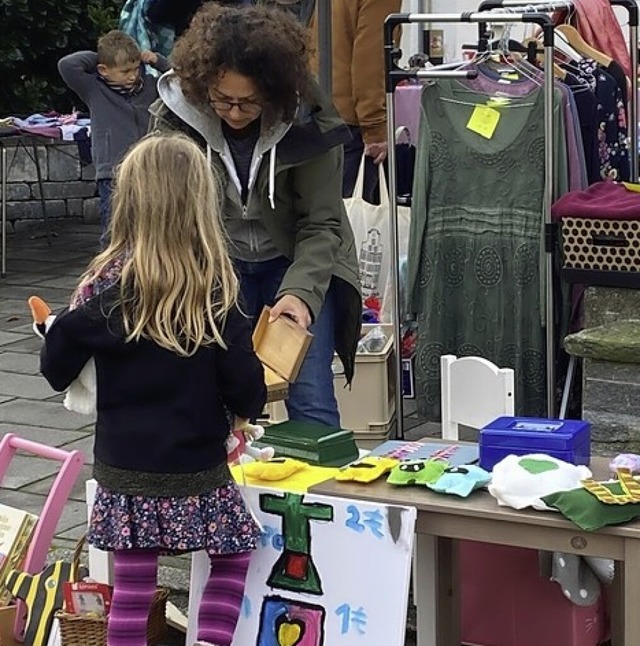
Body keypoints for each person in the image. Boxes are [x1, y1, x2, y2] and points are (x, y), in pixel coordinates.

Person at [39, 133, 267, 646]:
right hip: (195, 465)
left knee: (133, 585)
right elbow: (246, 391)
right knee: (232, 556)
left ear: (130, 202)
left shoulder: (103, 285)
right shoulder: (212, 285)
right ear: (199, 204)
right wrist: (246, 405)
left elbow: (57, 368)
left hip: (123, 466)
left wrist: (61, 329)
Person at [150, 3, 361, 428]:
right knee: (220, 400)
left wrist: (300, 295)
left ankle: (322, 491)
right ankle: (229, 493)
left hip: (296, 260)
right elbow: (163, 211)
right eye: (222, 100)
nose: (234, 113)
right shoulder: (175, 119)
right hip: (220, 265)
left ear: (275, 92)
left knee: (311, 395)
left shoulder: (312, 123)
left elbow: (322, 224)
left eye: (249, 103)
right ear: (201, 83)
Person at [58, 30, 170, 245]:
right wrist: (104, 56)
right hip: (113, 172)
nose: (132, 75)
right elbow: (67, 65)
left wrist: (158, 60)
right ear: (103, 70)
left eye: (136, 68)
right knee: (114, 232)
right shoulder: (93, 88)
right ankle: (110, 276)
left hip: (149, 170)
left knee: (152, 231)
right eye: (125, 71)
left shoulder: (150, 87)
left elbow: (179, 79)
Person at [310, 0, 402, 203]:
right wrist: (375, 127)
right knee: (353, 220)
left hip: (319, 110)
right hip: (351, 122)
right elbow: (371, 60)